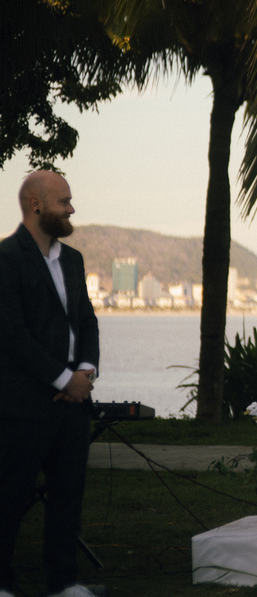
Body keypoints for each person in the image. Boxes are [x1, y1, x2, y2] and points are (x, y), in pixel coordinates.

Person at [0, 171, 103, 597]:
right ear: (35, 204)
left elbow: (87, 322)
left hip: (71, 406)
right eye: (64, 201)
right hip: (23, 404)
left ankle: (64, 583)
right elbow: (11, 333)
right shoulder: (7, 258)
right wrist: (64, 379)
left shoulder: (74, 260)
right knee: (9, 497)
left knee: (67, 498)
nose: (72, 208)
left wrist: (86, 371)